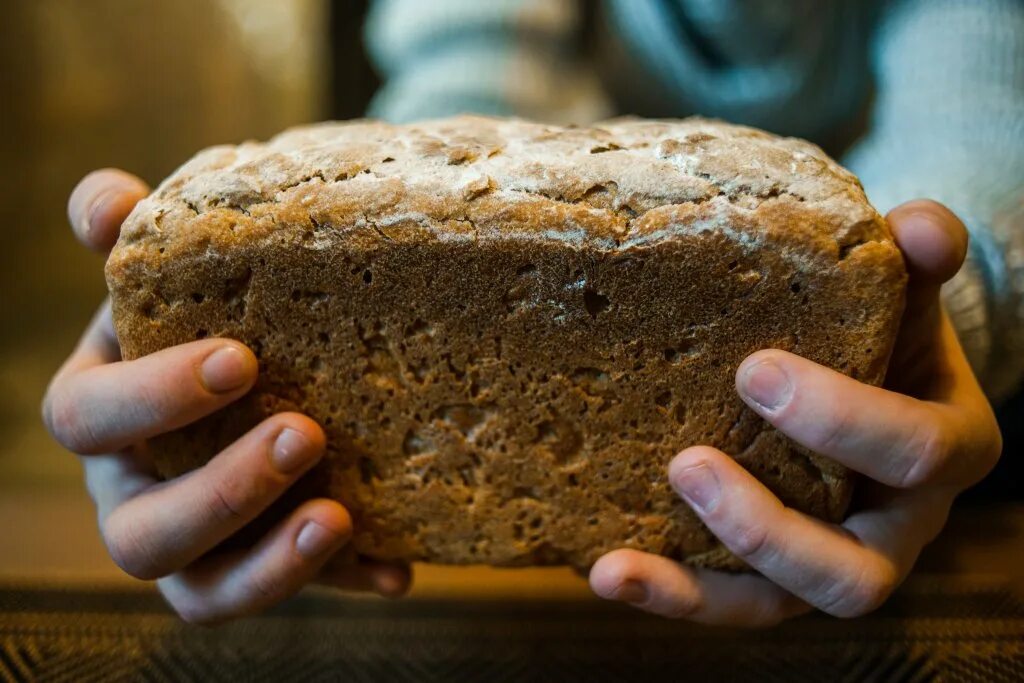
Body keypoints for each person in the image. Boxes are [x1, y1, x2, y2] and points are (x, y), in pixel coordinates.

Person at [43, 0, 1020, 626]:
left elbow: (983, 113)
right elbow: (479, 92)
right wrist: (170, 333)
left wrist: (932, 329)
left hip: (941, 497)